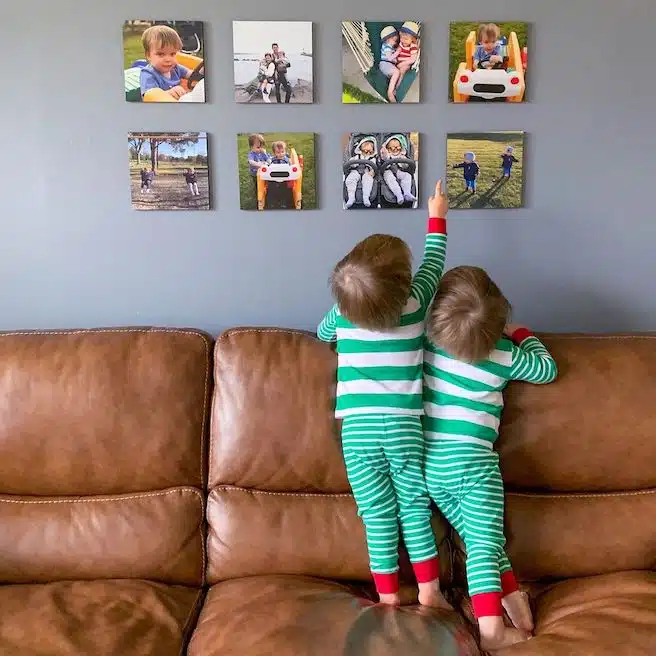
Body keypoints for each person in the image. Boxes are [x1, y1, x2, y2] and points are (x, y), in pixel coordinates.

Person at [317, 181, 450, 609]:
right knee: (413, 504)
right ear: (404, 286)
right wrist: (436, 215)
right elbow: (434, 261)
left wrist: (339, 325)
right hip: (404, 427)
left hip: (357, 433)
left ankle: (388, 597)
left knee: (376, 515)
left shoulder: (342, 315)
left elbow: (322, 333)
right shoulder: (414, 306)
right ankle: (430, 591)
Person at [423, 265, 557, 651]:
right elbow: (547, 369)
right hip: (473, 468)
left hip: (430, 468)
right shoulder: (503, 355)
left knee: (481, 536)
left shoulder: (426, 348)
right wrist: (522, 334)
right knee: (482, 545)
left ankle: (514, 600)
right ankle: (492, 631)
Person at [139, 24, 193, 100]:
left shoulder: (175, 67)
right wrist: (169, 93)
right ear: (148, 55)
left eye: (172, 54)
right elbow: (149, 97)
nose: (168, 59)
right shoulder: (148, 74)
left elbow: (191, 74)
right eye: (161, 54)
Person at [387, 22, 420, 103]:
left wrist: (402, 64)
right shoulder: (401, 43)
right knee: (394, 72)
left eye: (406, 39)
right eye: (402, 38)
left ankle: (397, 88)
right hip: (397, 62)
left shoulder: (413, 47)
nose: (403, 41)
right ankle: (392, 83)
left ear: (413, 39)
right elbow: (398, 51)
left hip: (406, 64)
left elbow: (413, 59)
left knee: (401, 71)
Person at [379, 135, 416, 205]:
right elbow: (384, 157)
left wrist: (404, 162)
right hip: (388, 171)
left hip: (399, 171)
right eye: (392, 147)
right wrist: (384, 149)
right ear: (388, 148)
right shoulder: (387, 154)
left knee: (407, 176)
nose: (395, 149)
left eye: (398, 147)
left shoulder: (401, 155)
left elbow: (405, 166)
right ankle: (398, 194)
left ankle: (407, 193)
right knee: (390, 178)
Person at [344, 136, 377, 209]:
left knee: (368, 181)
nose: (367, 153)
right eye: (365, 151)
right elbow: (351, 163)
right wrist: (352, 163)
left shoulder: (372, 158)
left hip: (366, 172)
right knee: (350, 180)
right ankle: (351, 197)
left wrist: (372, 172)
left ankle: (366, 197)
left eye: (370, 151)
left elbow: (374, 167)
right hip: (355, 171)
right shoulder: (357, 156)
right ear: (361, 148)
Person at [247, 134, 269, 198]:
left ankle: (265, 190)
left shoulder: (262, 152)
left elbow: (268, 160)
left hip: (263, 172)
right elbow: (251, 161)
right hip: (255, 173)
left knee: (265, 181)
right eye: (258, 147)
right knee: (258, 184)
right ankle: (258, 193)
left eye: (262, 147)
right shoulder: (252, 154)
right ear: (251, 147)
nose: (260, 149)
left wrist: (264, 153)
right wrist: (259, 164)